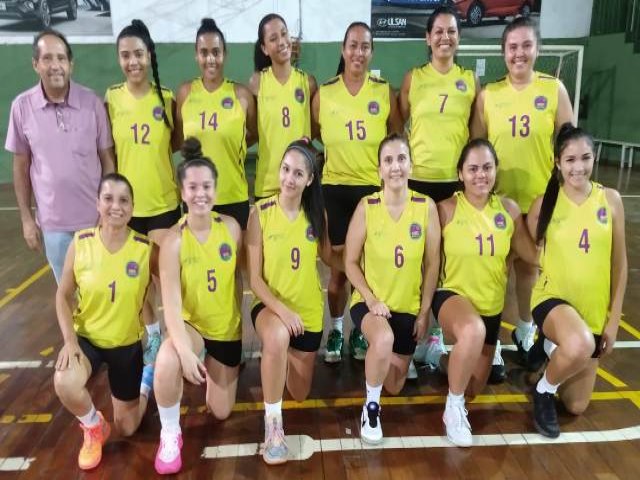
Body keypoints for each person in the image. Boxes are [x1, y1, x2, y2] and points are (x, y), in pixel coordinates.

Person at [471, 16, 574, 376]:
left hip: (537, 199)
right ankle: (493, 341)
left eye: (526, 45)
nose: (519, 53)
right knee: (493, 271)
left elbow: (570, 145)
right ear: (503, 52)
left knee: (530, 267)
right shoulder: (489, 95)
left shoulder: (554, 90)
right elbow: (477, 147)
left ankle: (526, 329)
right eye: (512, 47)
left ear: (537, 49)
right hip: (496, 198)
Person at [428, 139, 537, 447]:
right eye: (472, 168)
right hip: (452, 296)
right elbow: (428, 264)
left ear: (495, 170)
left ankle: (440, 359)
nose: (480, 175)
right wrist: (423, 312)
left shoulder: (509, 210)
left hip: (491, 308)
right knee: (472, 333)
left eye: (487, 167)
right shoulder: (445, 210)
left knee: (475, 384)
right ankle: (452, 409)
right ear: (460, 173)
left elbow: (532, 256)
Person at [526, 124, 627, 438]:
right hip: (552, 299)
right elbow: (529, 249)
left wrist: (613, 321)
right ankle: (543, 390)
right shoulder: (544, 204)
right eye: (570, 160)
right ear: (557, 162)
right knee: (580, 343)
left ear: (594, 159)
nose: (578, 167)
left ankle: (547, 347)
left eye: (585, 158)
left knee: (576, 405)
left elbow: (620, 264)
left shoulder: (610, 201)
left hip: (592, 313)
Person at [312, 21, 403, 363]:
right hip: (335, 188)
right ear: (343, 48)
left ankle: (363, 331)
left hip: (371, 190)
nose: (358, 52)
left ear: (371, 52)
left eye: (365, 46)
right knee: (337, 272)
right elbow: (313, 131)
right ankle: (336, 328)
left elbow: (395, 134)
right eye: (353, 45)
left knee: (371, 268)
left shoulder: (383, 92)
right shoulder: (325, 92)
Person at [53, 173, 155, 470]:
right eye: (108, 198)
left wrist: (157, 337)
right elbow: (62, 296)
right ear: (97, 203)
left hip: (127, 344)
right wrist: (69, 341)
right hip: (87, 340)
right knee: (65, 381)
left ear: (133, 208)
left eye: (124, 200)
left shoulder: (145, 249)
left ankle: (145, 384)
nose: (116, 206)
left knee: (127, 428)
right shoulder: (81, 243)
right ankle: (92, 426)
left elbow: (160, 293)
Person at [246, 138, 339, 464]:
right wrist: (282, 311)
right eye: (285, 169)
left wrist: (367, 261)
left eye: (298, 173)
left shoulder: (317, 214)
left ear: (310, 179)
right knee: (277, 336)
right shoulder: (260, 214)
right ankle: (273, 425)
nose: (289, 178)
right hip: (273, 307)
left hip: (309, 313)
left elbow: (330, 258)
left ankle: (277, 359)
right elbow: (254, 280)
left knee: (299, 393)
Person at [153, 138, 242, 475]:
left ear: (216, 191)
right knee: (167, 358)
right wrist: (184, 350)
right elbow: (171, 306)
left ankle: (210, 369)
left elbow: (238, 284)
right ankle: (170, 432)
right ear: (182, 192)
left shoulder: (231, 229)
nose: (200, 193)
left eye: (207, 186)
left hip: (226, 330)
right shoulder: (173, 241)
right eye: (193, 187)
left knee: (220, 412)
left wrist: (240, 331)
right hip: (192, 328)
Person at [344, 133, 440, 444]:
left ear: (411, 165)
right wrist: (371, 300)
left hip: (407, 307)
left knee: (396, 383)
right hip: (370, 303)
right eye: (388, 160)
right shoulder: (367, 206)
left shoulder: (426, 208)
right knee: (382, 338)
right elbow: (349, 262)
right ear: (379, 169)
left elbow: (432, 264)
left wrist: (425, 312)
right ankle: (370, 408)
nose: (395, 166)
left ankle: (414, 354)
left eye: (401, 159)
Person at [398, 5, 478, 373]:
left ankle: (436, 339)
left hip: (453, 183)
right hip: (418, 181)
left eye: (451, 31)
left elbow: (476, 135)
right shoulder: (414, 77)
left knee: (446, 261)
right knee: (417, 262)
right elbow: (398, 124)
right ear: (428, 39)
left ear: (458, 38)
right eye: (439, 32)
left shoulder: (469, 81)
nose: (445, 37)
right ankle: (412, 336)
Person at [6, 29, 115, 283]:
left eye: (61, 58)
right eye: (47, 59)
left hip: (94, 221)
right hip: (53, 226)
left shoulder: (92, 103)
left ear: (71, 64)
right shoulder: (21, 107)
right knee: (67, 294)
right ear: (35, 64)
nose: (55, 66)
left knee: (101, 290)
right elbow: (21, 168)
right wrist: (26, 219)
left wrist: (107, 211)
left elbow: (107, 160)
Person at [106, 19, 181, 364]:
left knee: (168, 277)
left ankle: (181, 337)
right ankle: (152, 335)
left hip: (164, 203)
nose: (132, 61)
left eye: (138, 54)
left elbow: (175, 144)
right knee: (140, 284)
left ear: (149, 56)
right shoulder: (111, 99)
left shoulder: (166, 99)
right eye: (125, 55)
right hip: (128, 209)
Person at [175, 18, 257, 229]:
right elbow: (177, 138)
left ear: (225, 54)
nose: (210, 58)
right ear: (196, 55)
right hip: (196, 197)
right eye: (204, 52)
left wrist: (230, 144)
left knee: (235, 261)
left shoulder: (242, 94)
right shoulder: (185, 93)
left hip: (233, 195)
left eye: (216, 52)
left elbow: (254, 133)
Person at [249, 13, 317, 201]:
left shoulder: (307, 82)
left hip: (300, 183)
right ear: (264, 48)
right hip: (269, 184)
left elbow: (315, 128)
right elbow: (254, 130)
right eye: (273, 38)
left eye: (284, 34)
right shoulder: (257, 82)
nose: (281, 41)